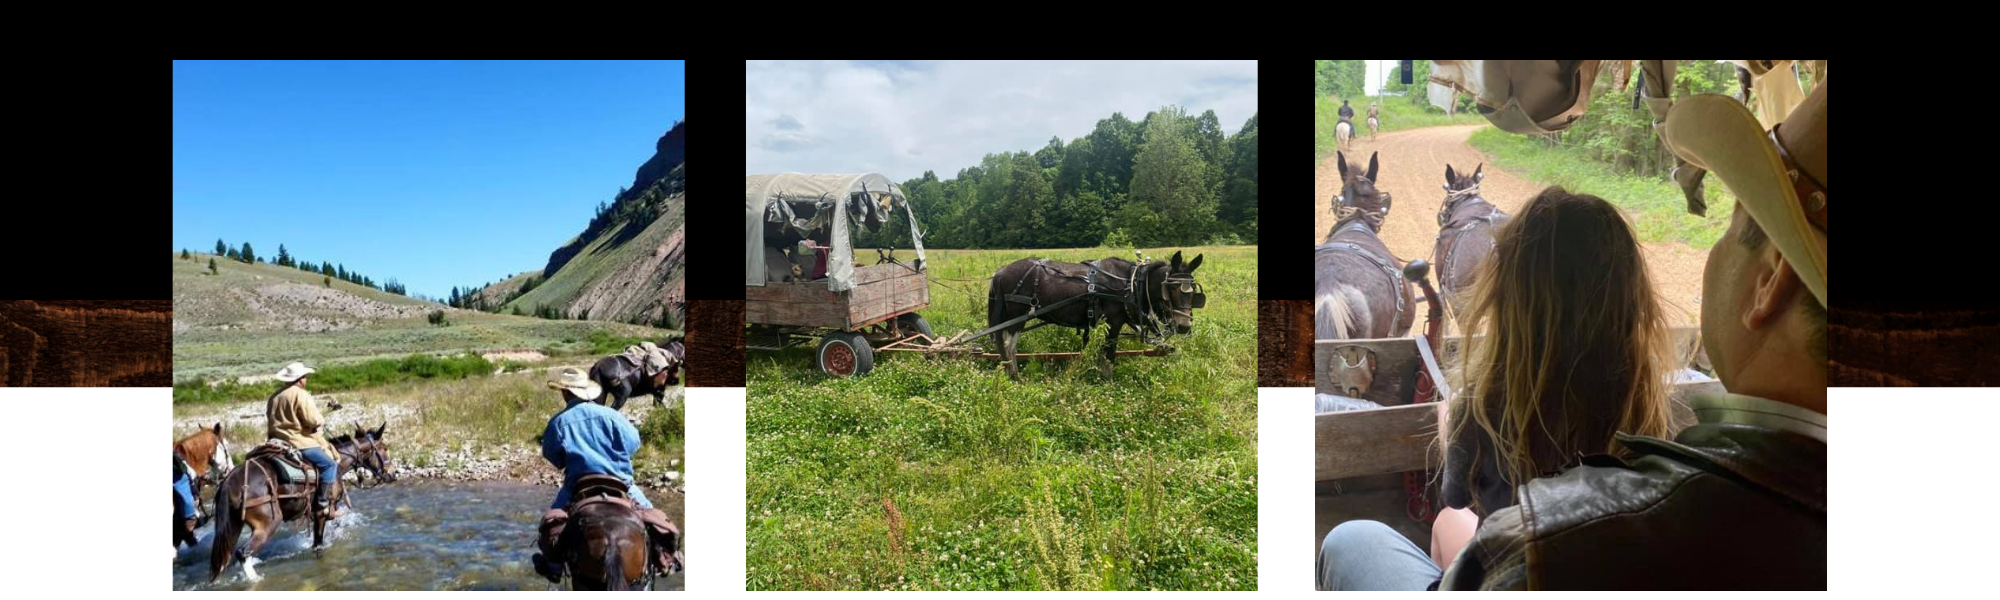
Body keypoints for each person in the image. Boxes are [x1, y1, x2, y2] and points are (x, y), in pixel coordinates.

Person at [1318, 75, 1826, 591]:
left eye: (1733, 221)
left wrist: (1452, 422)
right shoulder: (1668, 421)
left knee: (1355, 540)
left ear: (1771, 279)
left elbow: (1456, 496)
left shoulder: (1549, 547)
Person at [1428, 187, 1679, 571]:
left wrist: (1449, 423)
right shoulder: (1648, 406)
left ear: (1508, 297)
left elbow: (1455, 496)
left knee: (1388, 531)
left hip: (1511, 574)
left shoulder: (1482, 405)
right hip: (1597, 573)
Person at [532, 367, 683, 582]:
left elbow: (552, 456)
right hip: (621, 483)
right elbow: (633, 444)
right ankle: (666, 556)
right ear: (586, 391)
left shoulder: (558, 422)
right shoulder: (612, 415)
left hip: (577, 485)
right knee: (653, 516)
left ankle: (554, 566)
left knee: (552, 523)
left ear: (565, 393)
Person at [267, 361, 340, 517]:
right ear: (300, 379)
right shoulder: (301, 394)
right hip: (298, 442)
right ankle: (322, 504)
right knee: (330, 465)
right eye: (305, 377)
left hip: (275, 442)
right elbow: (312, 420)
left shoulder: (274, 397)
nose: (306, 380)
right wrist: (320, 421)